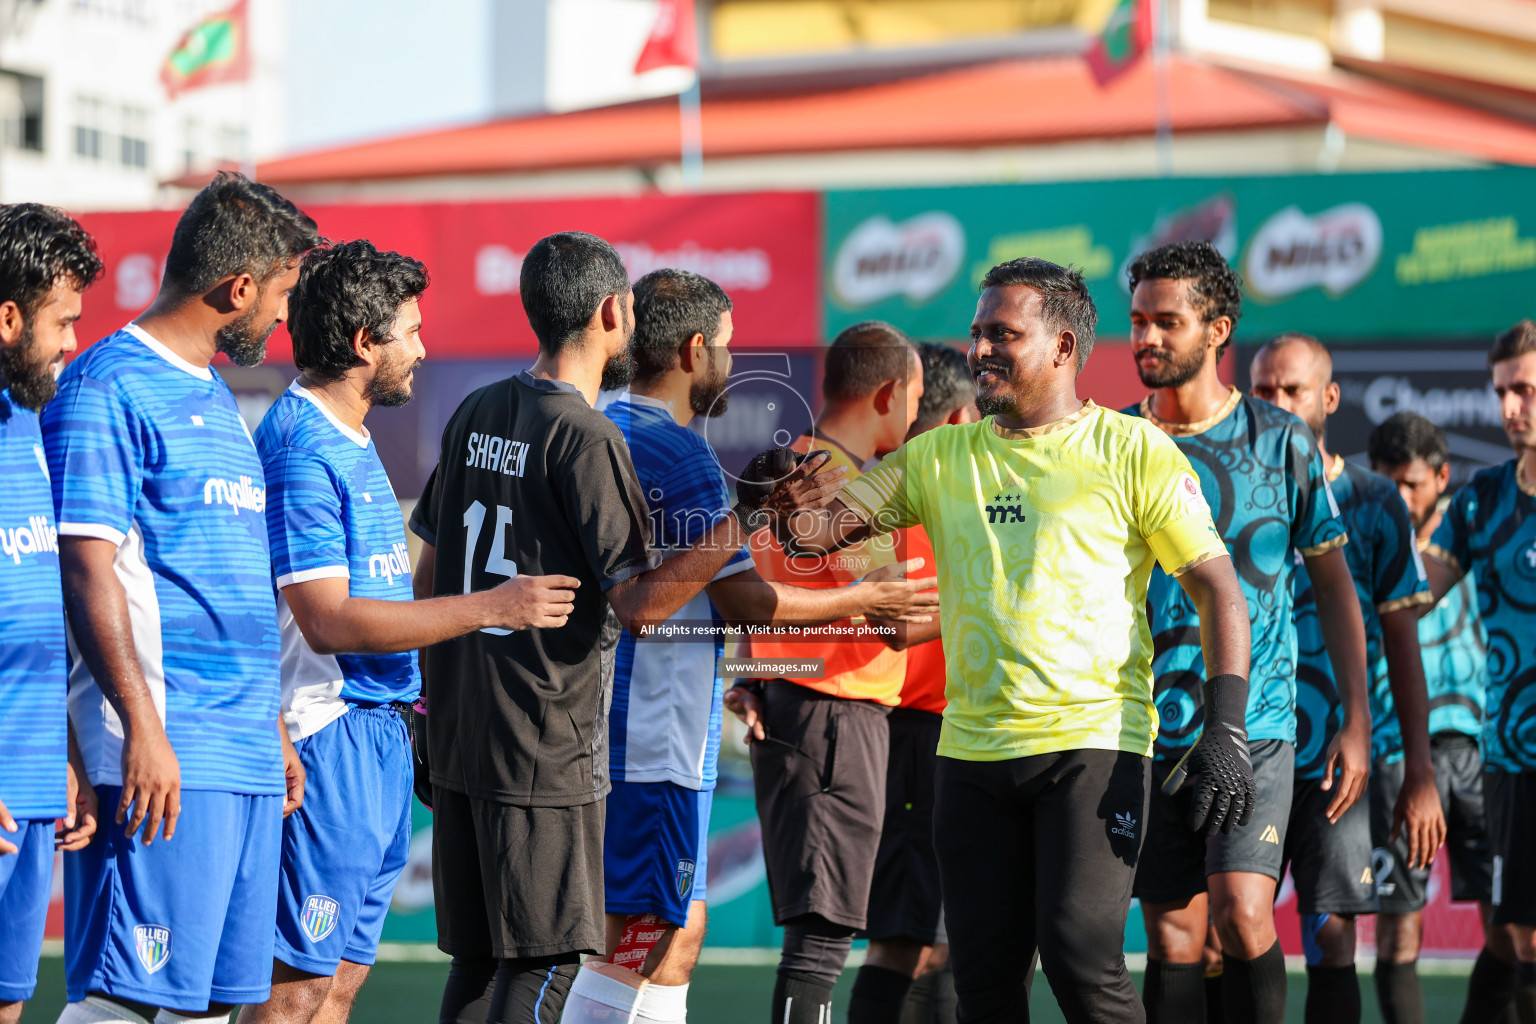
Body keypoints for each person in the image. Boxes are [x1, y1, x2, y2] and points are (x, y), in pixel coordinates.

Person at [758, 257, 1254, 1024]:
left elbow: (1219, 588)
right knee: (985, 982)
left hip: (1093, 744)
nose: (980, 348)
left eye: (1002, 333)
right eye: (977, 332)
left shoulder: (1134, 450)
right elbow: (824, 530)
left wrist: (1227, 724)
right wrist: (782, 503)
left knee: (1080, 959)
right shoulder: (936, 456)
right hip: (971, 755)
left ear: (1063, 346)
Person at [409, 232, 788, 1024]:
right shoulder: (587, 437)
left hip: (463, 731)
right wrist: (745, 518)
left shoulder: (479, 405)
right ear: (612, 313)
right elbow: (641, 608)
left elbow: (427, 576)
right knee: (549, 965)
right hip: (543, 743)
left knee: (482, 965)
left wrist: (428, 704)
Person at [566, 269, 939, 1024]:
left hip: (639, 721)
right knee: (652, 932)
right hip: (666, 727)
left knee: (677, 930)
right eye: (729, 348)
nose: (734, 364)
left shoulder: (598, 426)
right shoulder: (713, 458)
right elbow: (748, 603)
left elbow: (709, 582)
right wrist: (871, 600)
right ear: (695, 350)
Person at [238, 240, 581, 1024]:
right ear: (365, 343)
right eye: (412, 332)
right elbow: (327, 622)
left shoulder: (349, 436)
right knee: (293, 994)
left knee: (340, 988)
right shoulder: (300, 444)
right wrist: (496, 607)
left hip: (384, 741)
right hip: (327, 737)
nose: (423, 349)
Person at [43, 172, 318, 1024]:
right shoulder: (106, 387)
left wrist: (270, 721)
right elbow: (83, 571)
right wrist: (142, 731)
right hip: (162, 754)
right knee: (127, 1002)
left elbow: (227, 577)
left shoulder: (214, 394)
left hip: (241, 755)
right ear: (237, 289)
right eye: (279, 296)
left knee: (205, 1009)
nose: (280, 319)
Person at [1124, 242, 1369, 1024]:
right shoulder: (1113, 443)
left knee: (1244, 912)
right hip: (1144, 727)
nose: (1147, 338)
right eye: (1138, 321)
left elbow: (1333, 586)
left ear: (1218, 329)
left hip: (1256, 724)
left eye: (1168, 321)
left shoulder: (1281, 441)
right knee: (1173, 936)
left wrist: (1357, 721)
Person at [726, 320, 925, 1024]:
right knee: (821, 940)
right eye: (916, 398)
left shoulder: (788, 466)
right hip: (834, 717)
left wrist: (749, 674)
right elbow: (895, 620)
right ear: (890, 392)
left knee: (823, 934)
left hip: (803, 710)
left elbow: (752, 597)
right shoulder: (837, 484)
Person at [1249, 334, 1445, 1024]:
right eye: (1263, 391)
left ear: (1329, 399)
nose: (1274, 405)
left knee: (1333, 941)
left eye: (1291, 391)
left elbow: (1403, 643)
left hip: (1339, 764)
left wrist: (1418, 772)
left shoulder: (1373, 501)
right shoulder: (1226, 491)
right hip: (1242, 751)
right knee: (1225, 934)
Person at [1367, 412, 1511, 1024]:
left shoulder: (1482, 530)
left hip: (1483, 752)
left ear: (1443, 478)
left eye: (1413, 485)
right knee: (1400, 934)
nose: (1399, 497)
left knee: (1510, 931)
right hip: (1398, 752)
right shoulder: (1361, 540)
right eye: (1387, 483)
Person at [850, 341, 979, 1024]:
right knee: (908, 942)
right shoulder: (884, 493)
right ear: (961, 416)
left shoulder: (888, 487)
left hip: (964, 740)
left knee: (954, 940)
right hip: (910, 739)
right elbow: (887, 626)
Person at [0, 204, 102, 1024]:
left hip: (34, 790)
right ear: (9, 318)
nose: (74, 339)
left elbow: (38, 615)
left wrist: (65, 747)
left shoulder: (29, 420)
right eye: (62, 320)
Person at [1421, 321, 1536, 1024]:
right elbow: (1409, 593)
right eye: (1502, 392)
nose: (1509, 408)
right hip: (1513, 756)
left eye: (1525, 390)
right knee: (1514, 931)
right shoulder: (1479, 501)